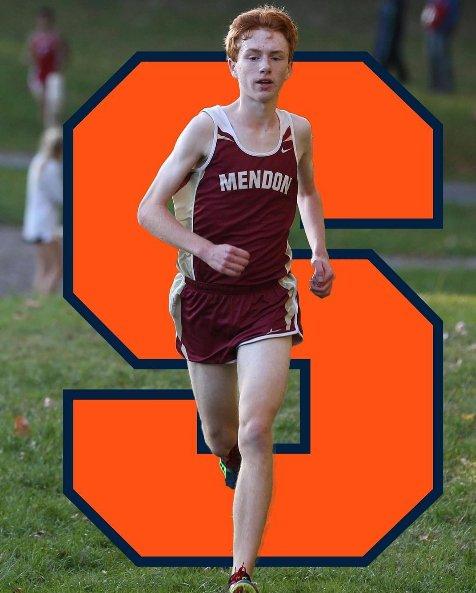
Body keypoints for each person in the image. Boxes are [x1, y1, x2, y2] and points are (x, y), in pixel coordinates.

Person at [137, 5, 334, 592]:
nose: (264, 67)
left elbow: (308, 193)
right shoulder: (206, 129)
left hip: (268, 298)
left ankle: (241, 573)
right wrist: (205, 248)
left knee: (255, 430)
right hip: (203, 300)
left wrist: (319, 252)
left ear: (290, 67)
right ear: (233, 64)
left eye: (276, 57)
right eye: (253, 56)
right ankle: (229, 463)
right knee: (222, 437)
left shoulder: (298, 132)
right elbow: (148, 209)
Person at [23, 127, 63, 295]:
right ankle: (44, 300)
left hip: (34, 222)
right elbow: (60, 195)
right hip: (46, 224)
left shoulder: (37, 162)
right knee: (58, 267)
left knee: (43, 267)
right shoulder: (51, 167)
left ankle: (35, 299)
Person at [25, 6, 69, 126]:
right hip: (38, 72)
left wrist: (61, 65)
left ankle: (52, 123)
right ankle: (46, 124)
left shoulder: (56, 37)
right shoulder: (34, 37)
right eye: (41, 20)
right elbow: (29, 54)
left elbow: (65, 52)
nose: (43, 23)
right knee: (42, 99)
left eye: (46, 20)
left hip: (52, 72)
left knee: (54, 101)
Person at [421, 0, 460, 92]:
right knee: (432, 56)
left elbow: (453, 10)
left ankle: (446, 86)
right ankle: (434, 84)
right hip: (432, 27)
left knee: (442, 58)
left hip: (443, 28)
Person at [374, 0, 409, 83]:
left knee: (387, 39)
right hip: (392, 5)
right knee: (389, 39)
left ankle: (383, 64)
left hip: (393, 5)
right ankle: (402, 74)